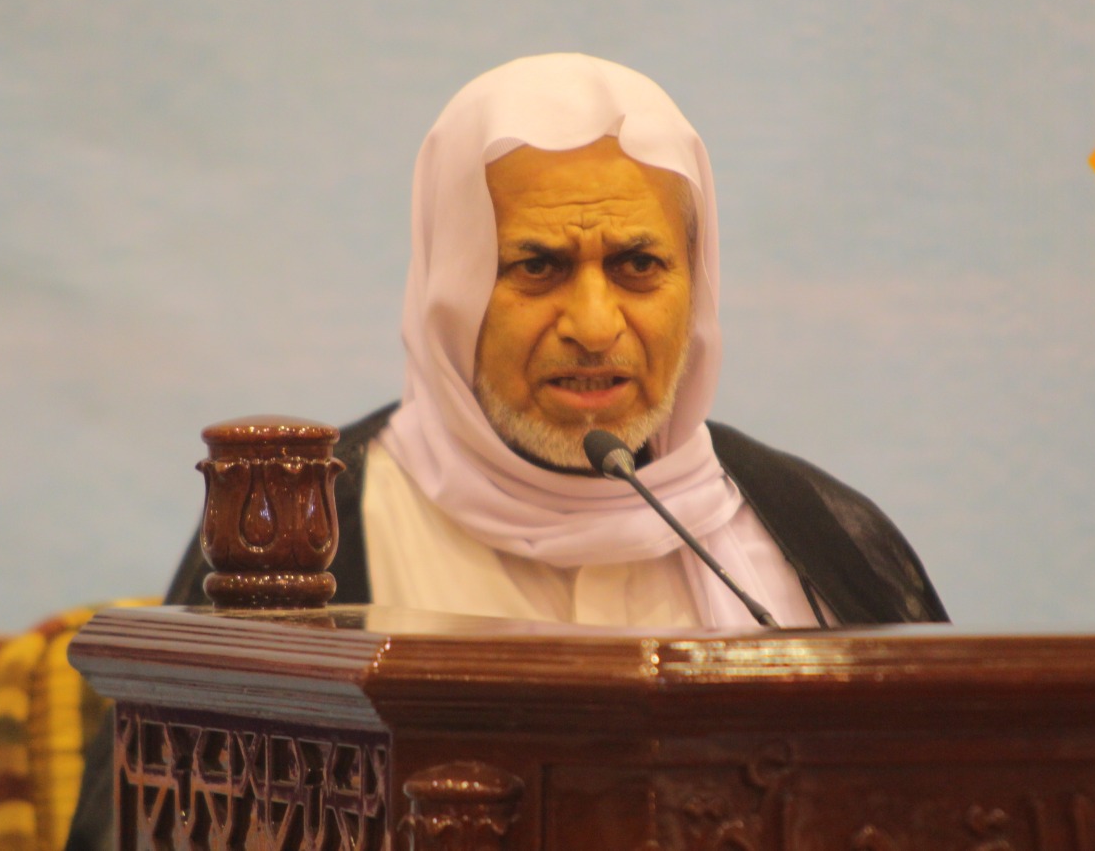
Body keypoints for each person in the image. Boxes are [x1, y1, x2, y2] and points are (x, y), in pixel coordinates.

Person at [65, 53, 944, 849]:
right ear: (451, 287)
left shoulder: (815, 541)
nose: (594, 325)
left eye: (638, 265)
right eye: (538, 267)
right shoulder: (301, 541)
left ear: (695, 280)